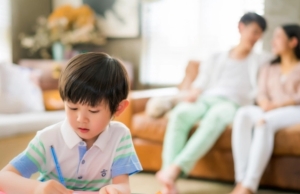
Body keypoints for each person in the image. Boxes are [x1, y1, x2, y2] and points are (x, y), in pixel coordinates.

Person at [156, 12, 270, 194]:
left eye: (260, 34)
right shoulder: (217, 57)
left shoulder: (262, 60)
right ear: (241, 27)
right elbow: (201, 82)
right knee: (180, 114)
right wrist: (193, 92)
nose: (256, 38)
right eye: (254, 31)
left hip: (232, 104)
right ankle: (168, 182)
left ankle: (175, 169)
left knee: (215, 119)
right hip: (206, 98)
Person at [0, 52, 142, 194]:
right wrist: (37, 188)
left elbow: (123, 186)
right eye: (73, 108)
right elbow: (4, 178)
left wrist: (115, 190)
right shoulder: (47, 139)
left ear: (118, 108)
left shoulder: (119, 136)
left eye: (93, 111)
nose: (81, 118)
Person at [231, 24, 300, 194]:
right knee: (243, 114)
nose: (273, 41)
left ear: (293, 42)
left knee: (263, 122)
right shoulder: (269, 67)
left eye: (278, 37)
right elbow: (260, 92)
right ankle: (241, 180)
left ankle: (249, 186)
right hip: (269, 109)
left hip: (294, 110)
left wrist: (276, 105)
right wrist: (264, 103)